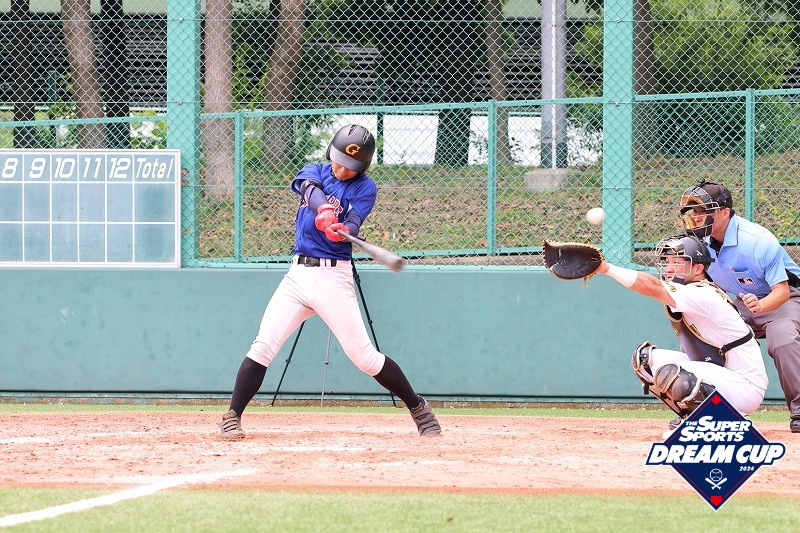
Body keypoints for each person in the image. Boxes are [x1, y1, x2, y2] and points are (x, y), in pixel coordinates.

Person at [218, 124, 441, 439]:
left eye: (351, 166)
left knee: (365, 358)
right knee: (264, 344)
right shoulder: (316, 171)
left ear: (363, 166)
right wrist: (322, 207)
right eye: (339, 161)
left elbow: (355, 220)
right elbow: (307, 187)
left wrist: (343, 228)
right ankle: (232, 417)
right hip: (298, 276)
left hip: (333, 278)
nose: (343, 169)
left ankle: (418, 408)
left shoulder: (365, 187)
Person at [597, 234, 768, 433]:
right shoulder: (693, 290)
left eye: (677, 262)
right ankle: (693, 415)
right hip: (723, 375)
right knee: (646, 360)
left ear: (698, 269)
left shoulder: (702, 294)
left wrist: (606, 268)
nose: (669, 268)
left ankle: (724, 420)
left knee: (672, 373)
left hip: (744, 386)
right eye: (667, 262)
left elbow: (652, 286)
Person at [680, 179, 800, 433]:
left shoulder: (756, 240)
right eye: (694, 211)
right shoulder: (700, 243)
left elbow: (781, 291)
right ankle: (702, 408)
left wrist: (761, 305)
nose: (696, 217)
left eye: (704, 211)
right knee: (700, 332)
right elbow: (712, 285)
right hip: (745, 301)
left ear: (724, 213)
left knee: (782, 337)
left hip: (787, 298)